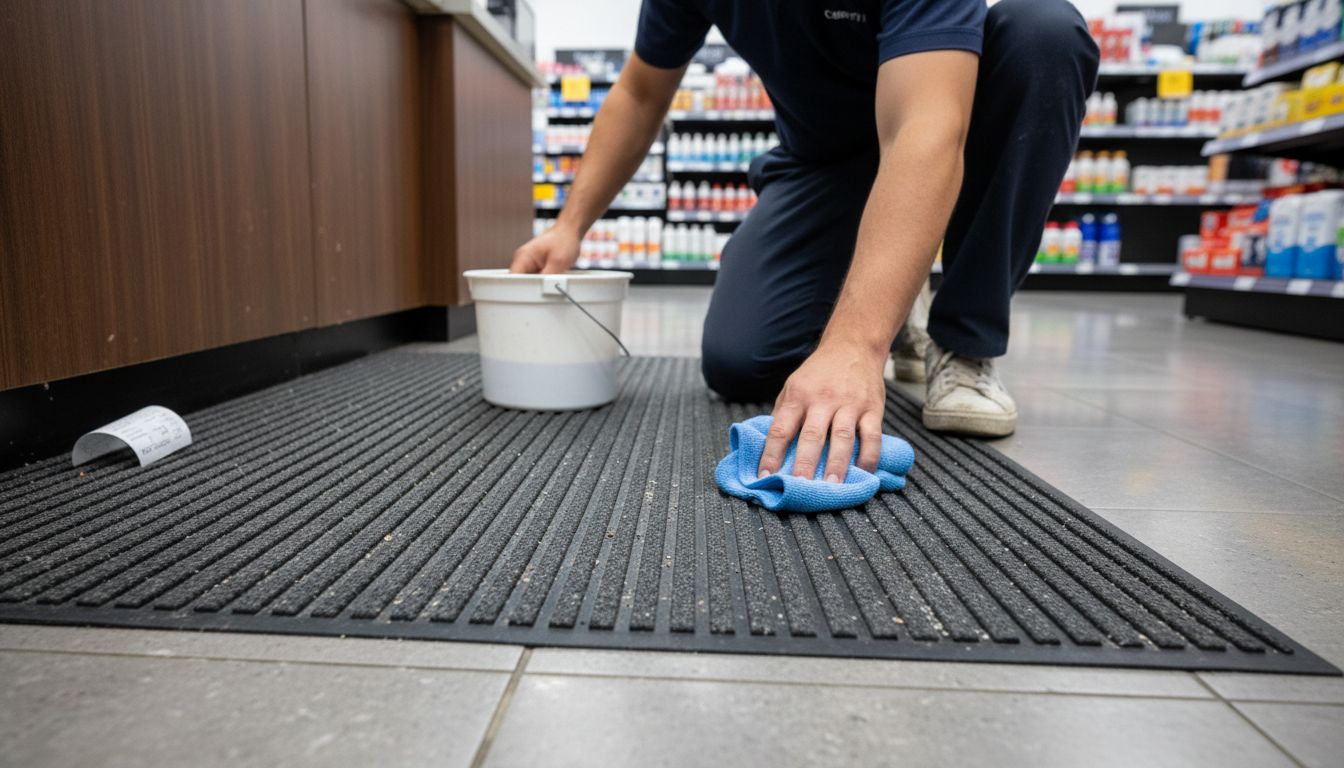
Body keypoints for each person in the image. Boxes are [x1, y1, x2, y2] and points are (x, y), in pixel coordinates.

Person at [511, 0, 1099, 485]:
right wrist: (569, 226)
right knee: (740, 361)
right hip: (821, 163)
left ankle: (963, 340)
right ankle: (899, 292)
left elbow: (926, 126)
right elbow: (640, 93)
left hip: (935, 119)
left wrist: (856, 347)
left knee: (1042, 34)